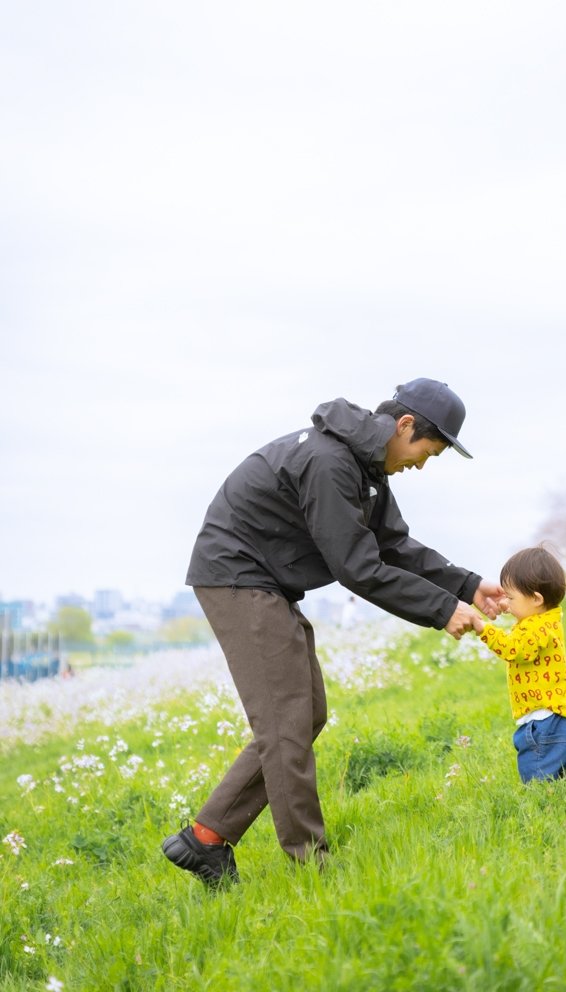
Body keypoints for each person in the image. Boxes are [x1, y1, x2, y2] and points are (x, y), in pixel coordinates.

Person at [162, 378, 504, 886]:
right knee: (285, 724)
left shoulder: (365, 468)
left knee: (305, 713)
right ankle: (311, 866)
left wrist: (470, 586)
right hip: (237, 577)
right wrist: (442, 610)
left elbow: (393, 546)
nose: (421, 465)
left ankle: (206, 840)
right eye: (426, 452)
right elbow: (358, 568)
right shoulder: (330, 462)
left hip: (266, 584)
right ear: (404, 425)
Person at [474, 546, 566, 784]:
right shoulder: (543, 619)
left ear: (536, 599)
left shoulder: (537, 628)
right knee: (554, 766)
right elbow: (523, 624)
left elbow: (514, 649)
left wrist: (483, 629)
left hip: (549, 724)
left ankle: (548, 808)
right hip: (558, 722)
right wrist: (508, 604)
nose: (507, 602)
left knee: (536, 778)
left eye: (510, 597)